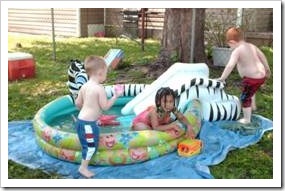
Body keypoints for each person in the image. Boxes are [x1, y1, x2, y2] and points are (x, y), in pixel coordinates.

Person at [75, 55, 123, 178]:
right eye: (106, 73)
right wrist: (115, 96)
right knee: (91, 147)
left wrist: (87, 110)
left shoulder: (84, 86)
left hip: (81, 121)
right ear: (100, 73)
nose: (106, 76)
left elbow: (78, 103)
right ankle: (83, 168)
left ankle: (83, 164)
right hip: (88, 125)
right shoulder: (99, 88)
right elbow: (105, 106)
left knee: (87, 143)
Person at [217, 27, 271, 124]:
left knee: (245, 97)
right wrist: (267, 69)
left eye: (229, 45)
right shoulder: (251, 46)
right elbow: (262, 55)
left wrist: (222, 78)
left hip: (251, 79)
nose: (230, 48)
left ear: (232, 42)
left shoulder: (237, 51)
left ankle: (247, 119)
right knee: (251, 90)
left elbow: (230, 66)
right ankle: (253, 107)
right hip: (261, 76)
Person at [132, 87, 196, 139]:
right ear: (158, 102)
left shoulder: (172, 108)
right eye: (165, 101)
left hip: (158, 123)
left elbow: (181, 117)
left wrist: (189, 126)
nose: (168, 104)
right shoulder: (154, 112)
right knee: (148, 130)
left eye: (170, 101)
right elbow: (156, 128)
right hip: (142, 123)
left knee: (173, 121)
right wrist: (171, 126)